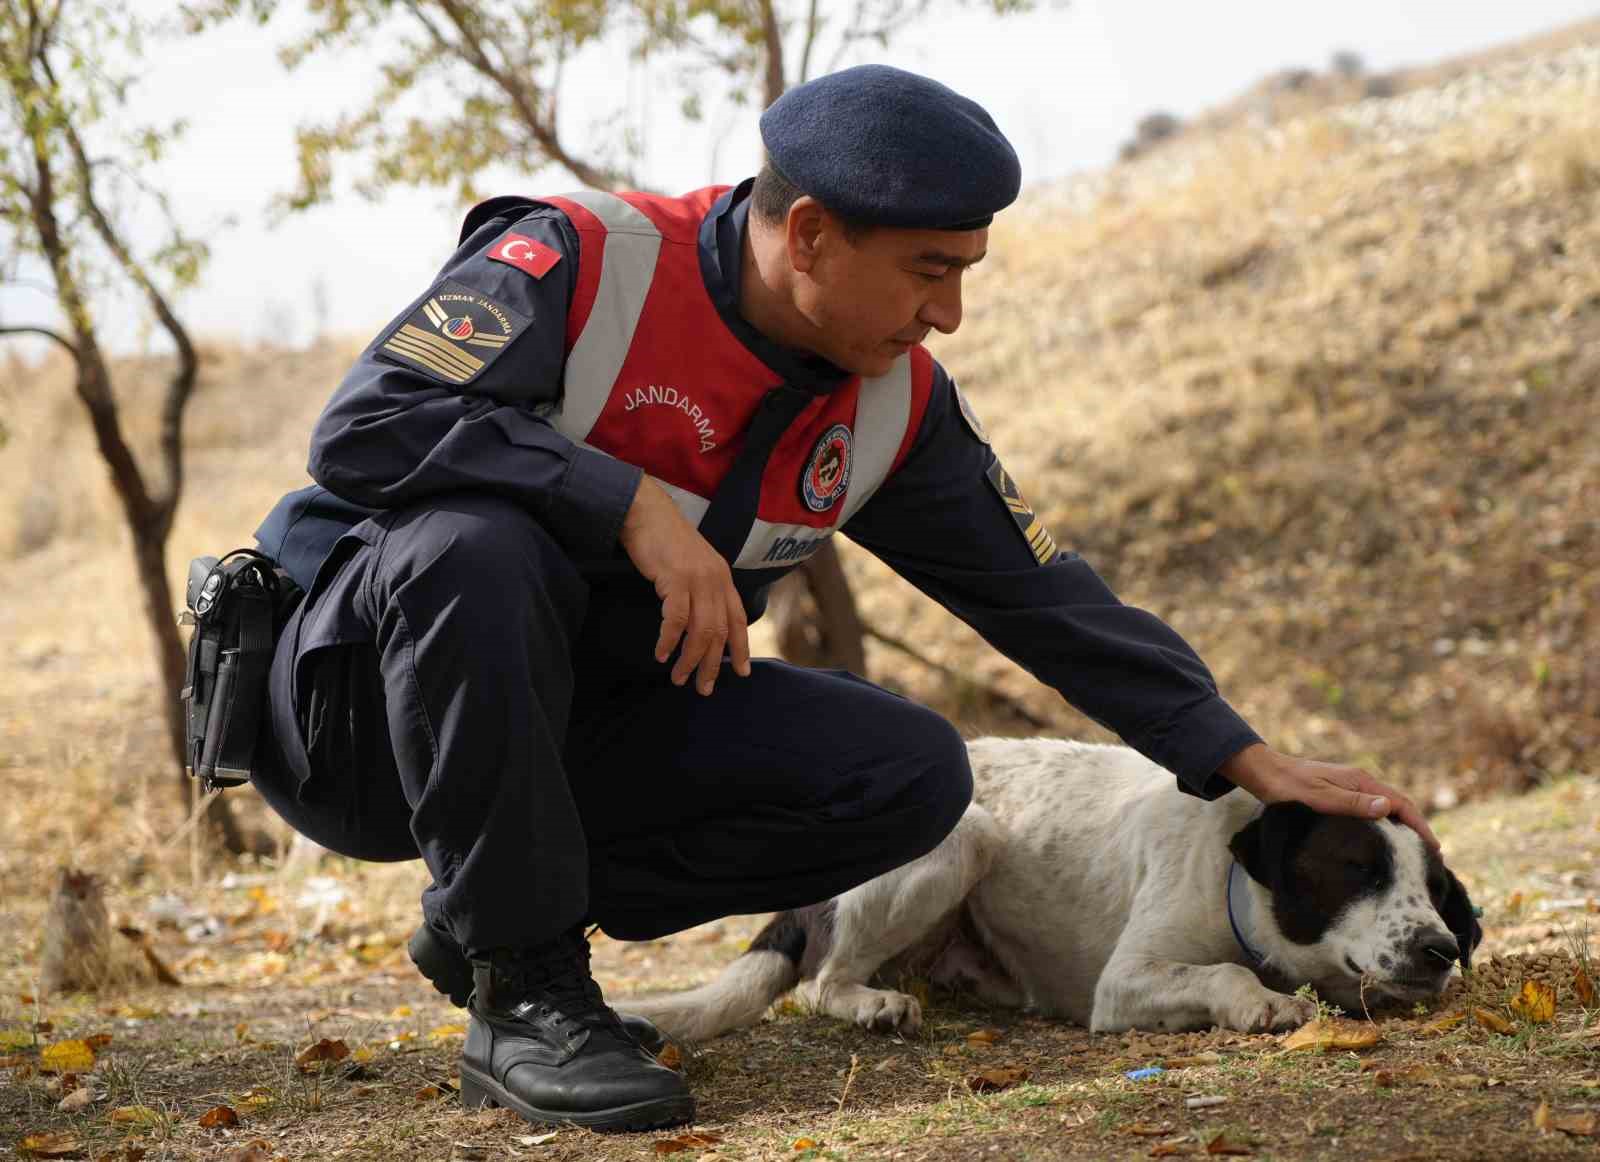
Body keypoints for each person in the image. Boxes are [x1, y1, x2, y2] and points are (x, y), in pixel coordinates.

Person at [248, 64, 1435, 1132]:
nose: (949, 313)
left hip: (572, 736)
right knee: (475, 544)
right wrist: (625, 504)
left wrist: (1238, 755)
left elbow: (1044, 595)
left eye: (964, 273)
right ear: (809, 234)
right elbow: (365, 422)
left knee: (913, 774)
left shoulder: (890, 403)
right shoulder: (582, 260)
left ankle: (492, 909)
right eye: (929, 271)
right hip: (358, 720)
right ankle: (524, 991)